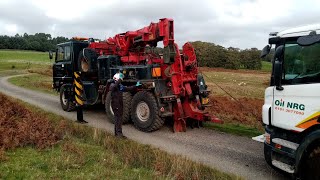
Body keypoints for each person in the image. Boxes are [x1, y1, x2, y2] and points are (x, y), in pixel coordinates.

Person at [109, 72, 141, 138]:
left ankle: (117, 134)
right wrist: (119, 80)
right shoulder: (112, 85)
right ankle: (119, 134)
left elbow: (128, 88)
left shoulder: (120, 86)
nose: (122, 80)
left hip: (119, 104)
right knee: (118, 119)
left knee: (119, 119)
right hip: (116, 104)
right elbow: (112, 88)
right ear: (117, 79)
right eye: (121, 79)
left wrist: (136, 86)